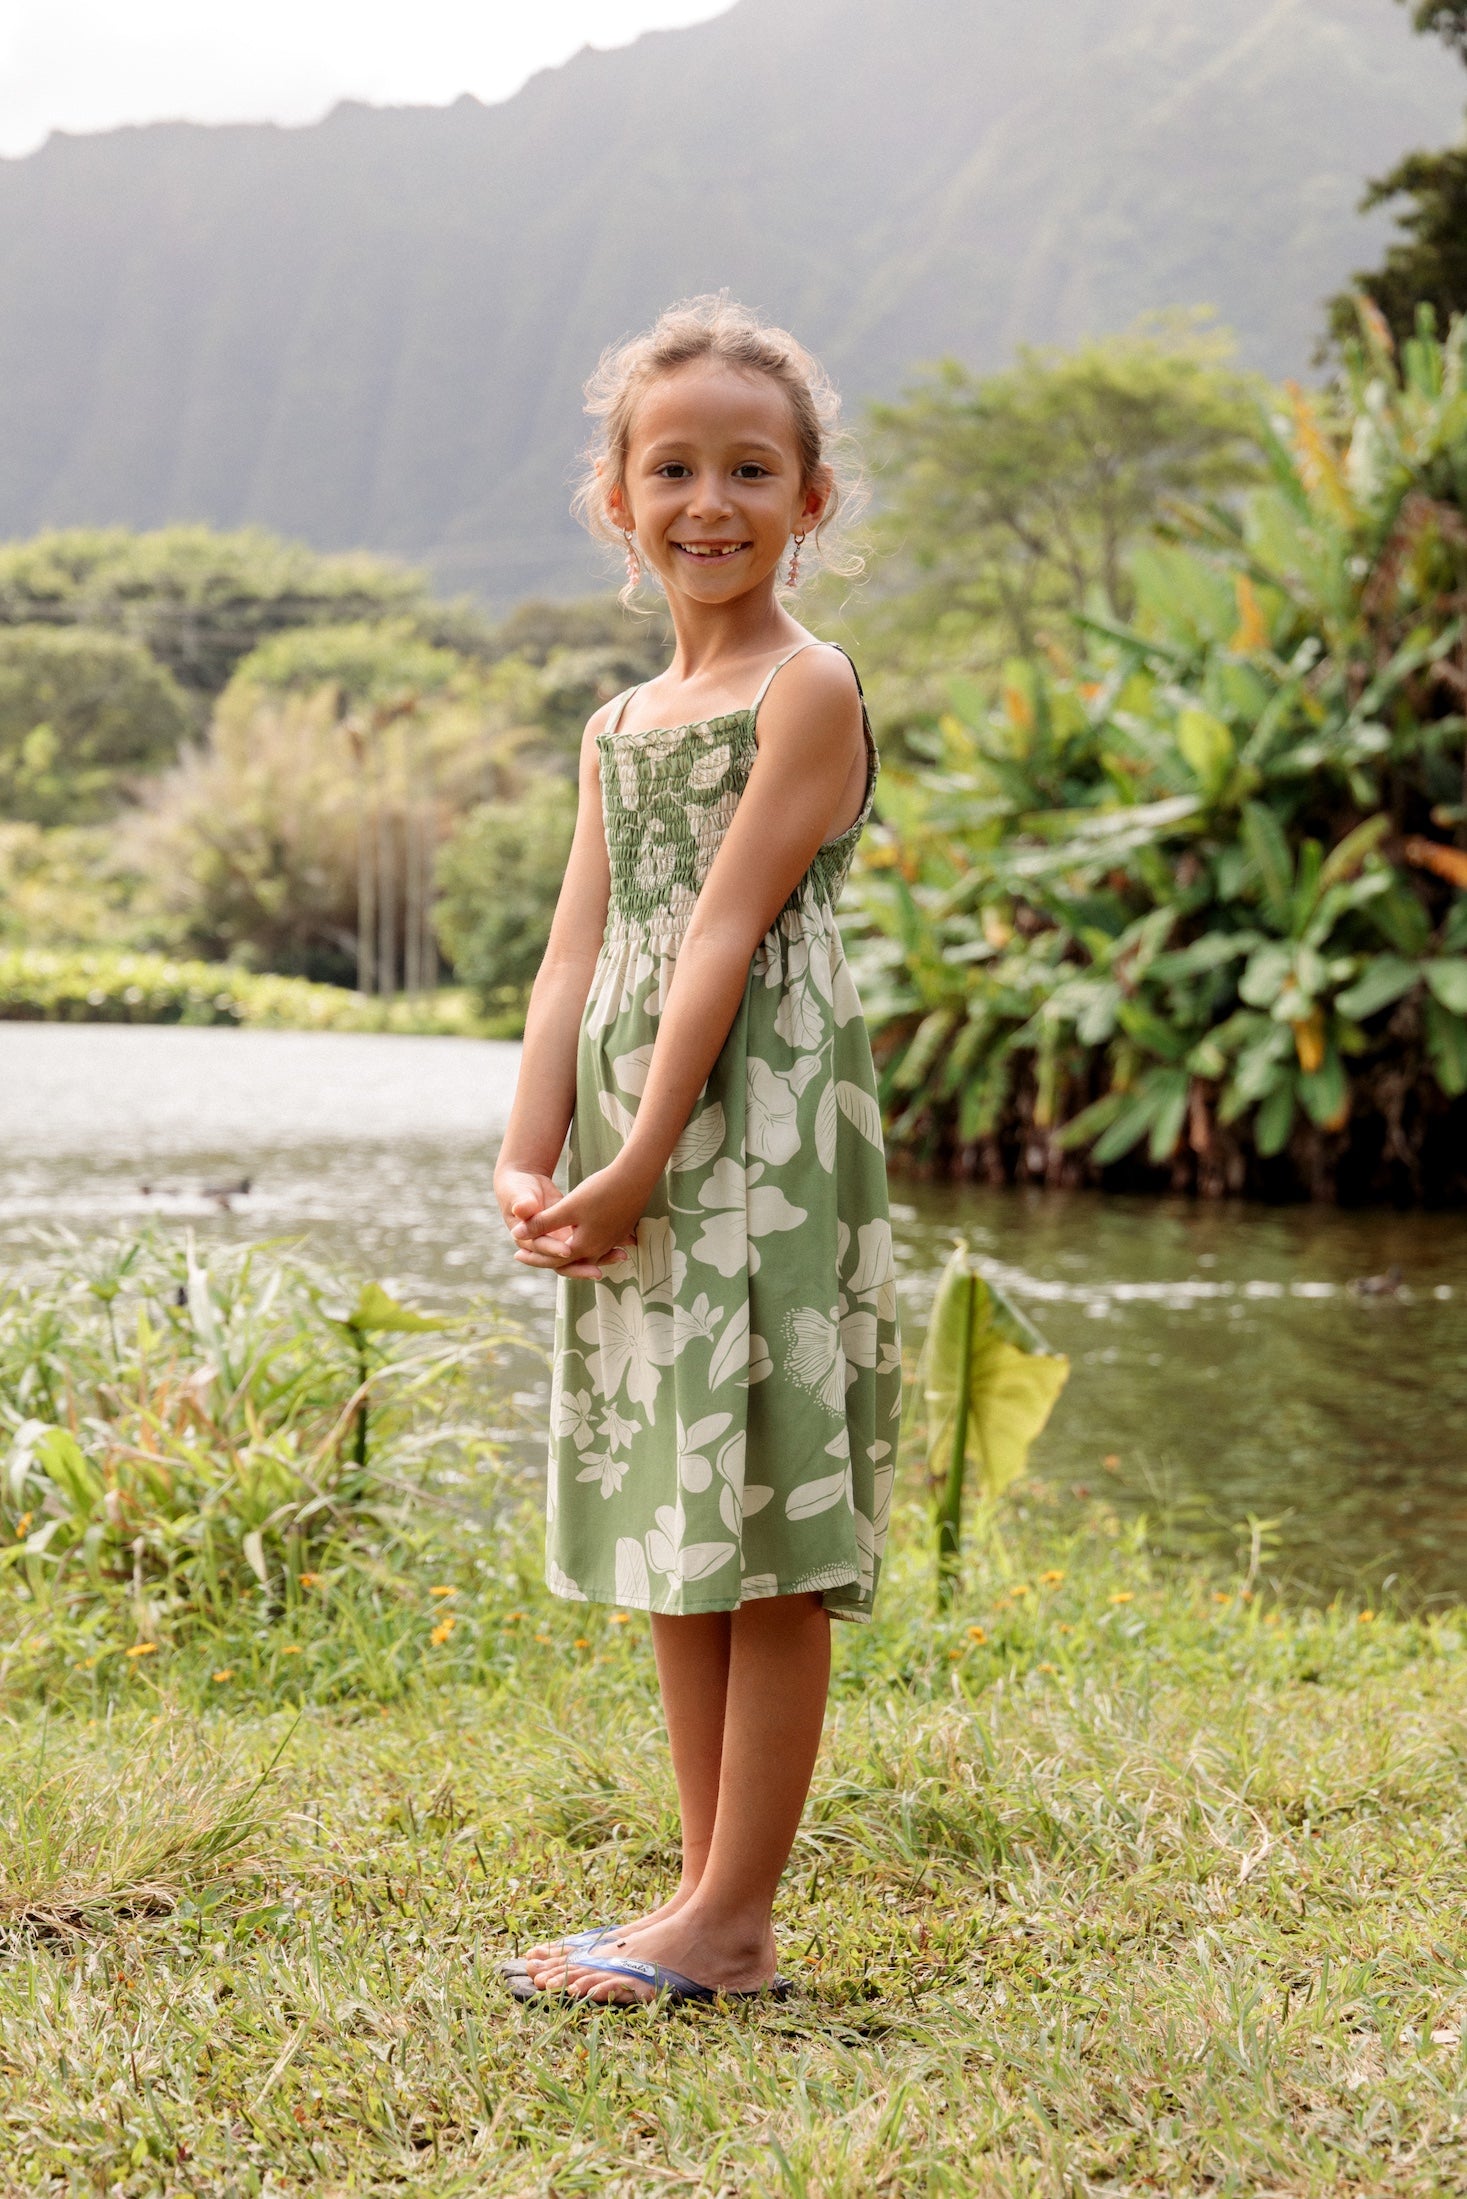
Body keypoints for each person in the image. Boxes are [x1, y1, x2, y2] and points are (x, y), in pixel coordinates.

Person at [493, 295, 901, 2007]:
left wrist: (646, 1152)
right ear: (617, 496)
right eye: (674, 467)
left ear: (813, 499)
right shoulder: (615, 725)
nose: (709, 500)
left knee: (773, 1520)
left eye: (752, 467)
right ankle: (693, 1898)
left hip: (762, 1128)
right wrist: (529, 1155)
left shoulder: (806, 690)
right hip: (636, 1134)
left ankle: (738, 1920)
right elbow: (577, 947)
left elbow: (724, 936)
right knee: (683, 1509)